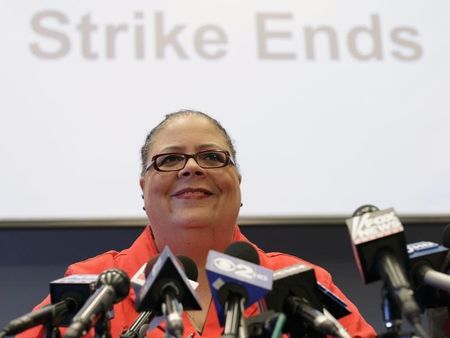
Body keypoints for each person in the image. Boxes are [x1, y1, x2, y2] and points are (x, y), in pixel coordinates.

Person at [16, 110, 376, 337]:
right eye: (170, 159)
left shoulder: (298, 282)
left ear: (237, 183)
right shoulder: (94, 287)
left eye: (212, 157)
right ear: (144, 189)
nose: (192, 167)